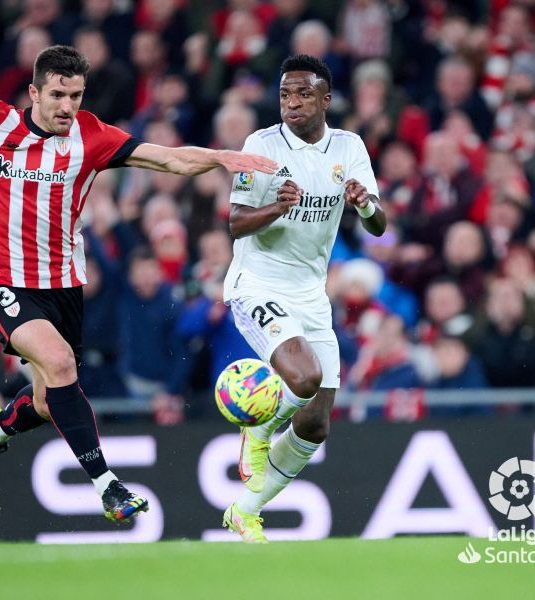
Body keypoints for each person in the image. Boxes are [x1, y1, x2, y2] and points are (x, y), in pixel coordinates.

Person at [0, 45, 276, 524]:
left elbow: (169, 160)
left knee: (47, 401)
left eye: (76, 95)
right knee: (62, 364)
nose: (67, 106)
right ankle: (109, 486)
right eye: (58, 95)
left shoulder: (92, 136)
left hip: (62, 284)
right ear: (34, 92)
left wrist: (222, 157)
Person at [221, 54, 386, 543]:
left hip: (311, 295)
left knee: (315, 423)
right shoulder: (262, 145)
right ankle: (257, 429)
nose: (292, 103)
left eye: (303, 94)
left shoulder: (349, 147)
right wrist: (277, 205)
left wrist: (364, 204)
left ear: (325, 100)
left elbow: (380, 226)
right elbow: (235, 222)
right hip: (257, 283)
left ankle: (244, 510)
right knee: (305, 376)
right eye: (285, 94)